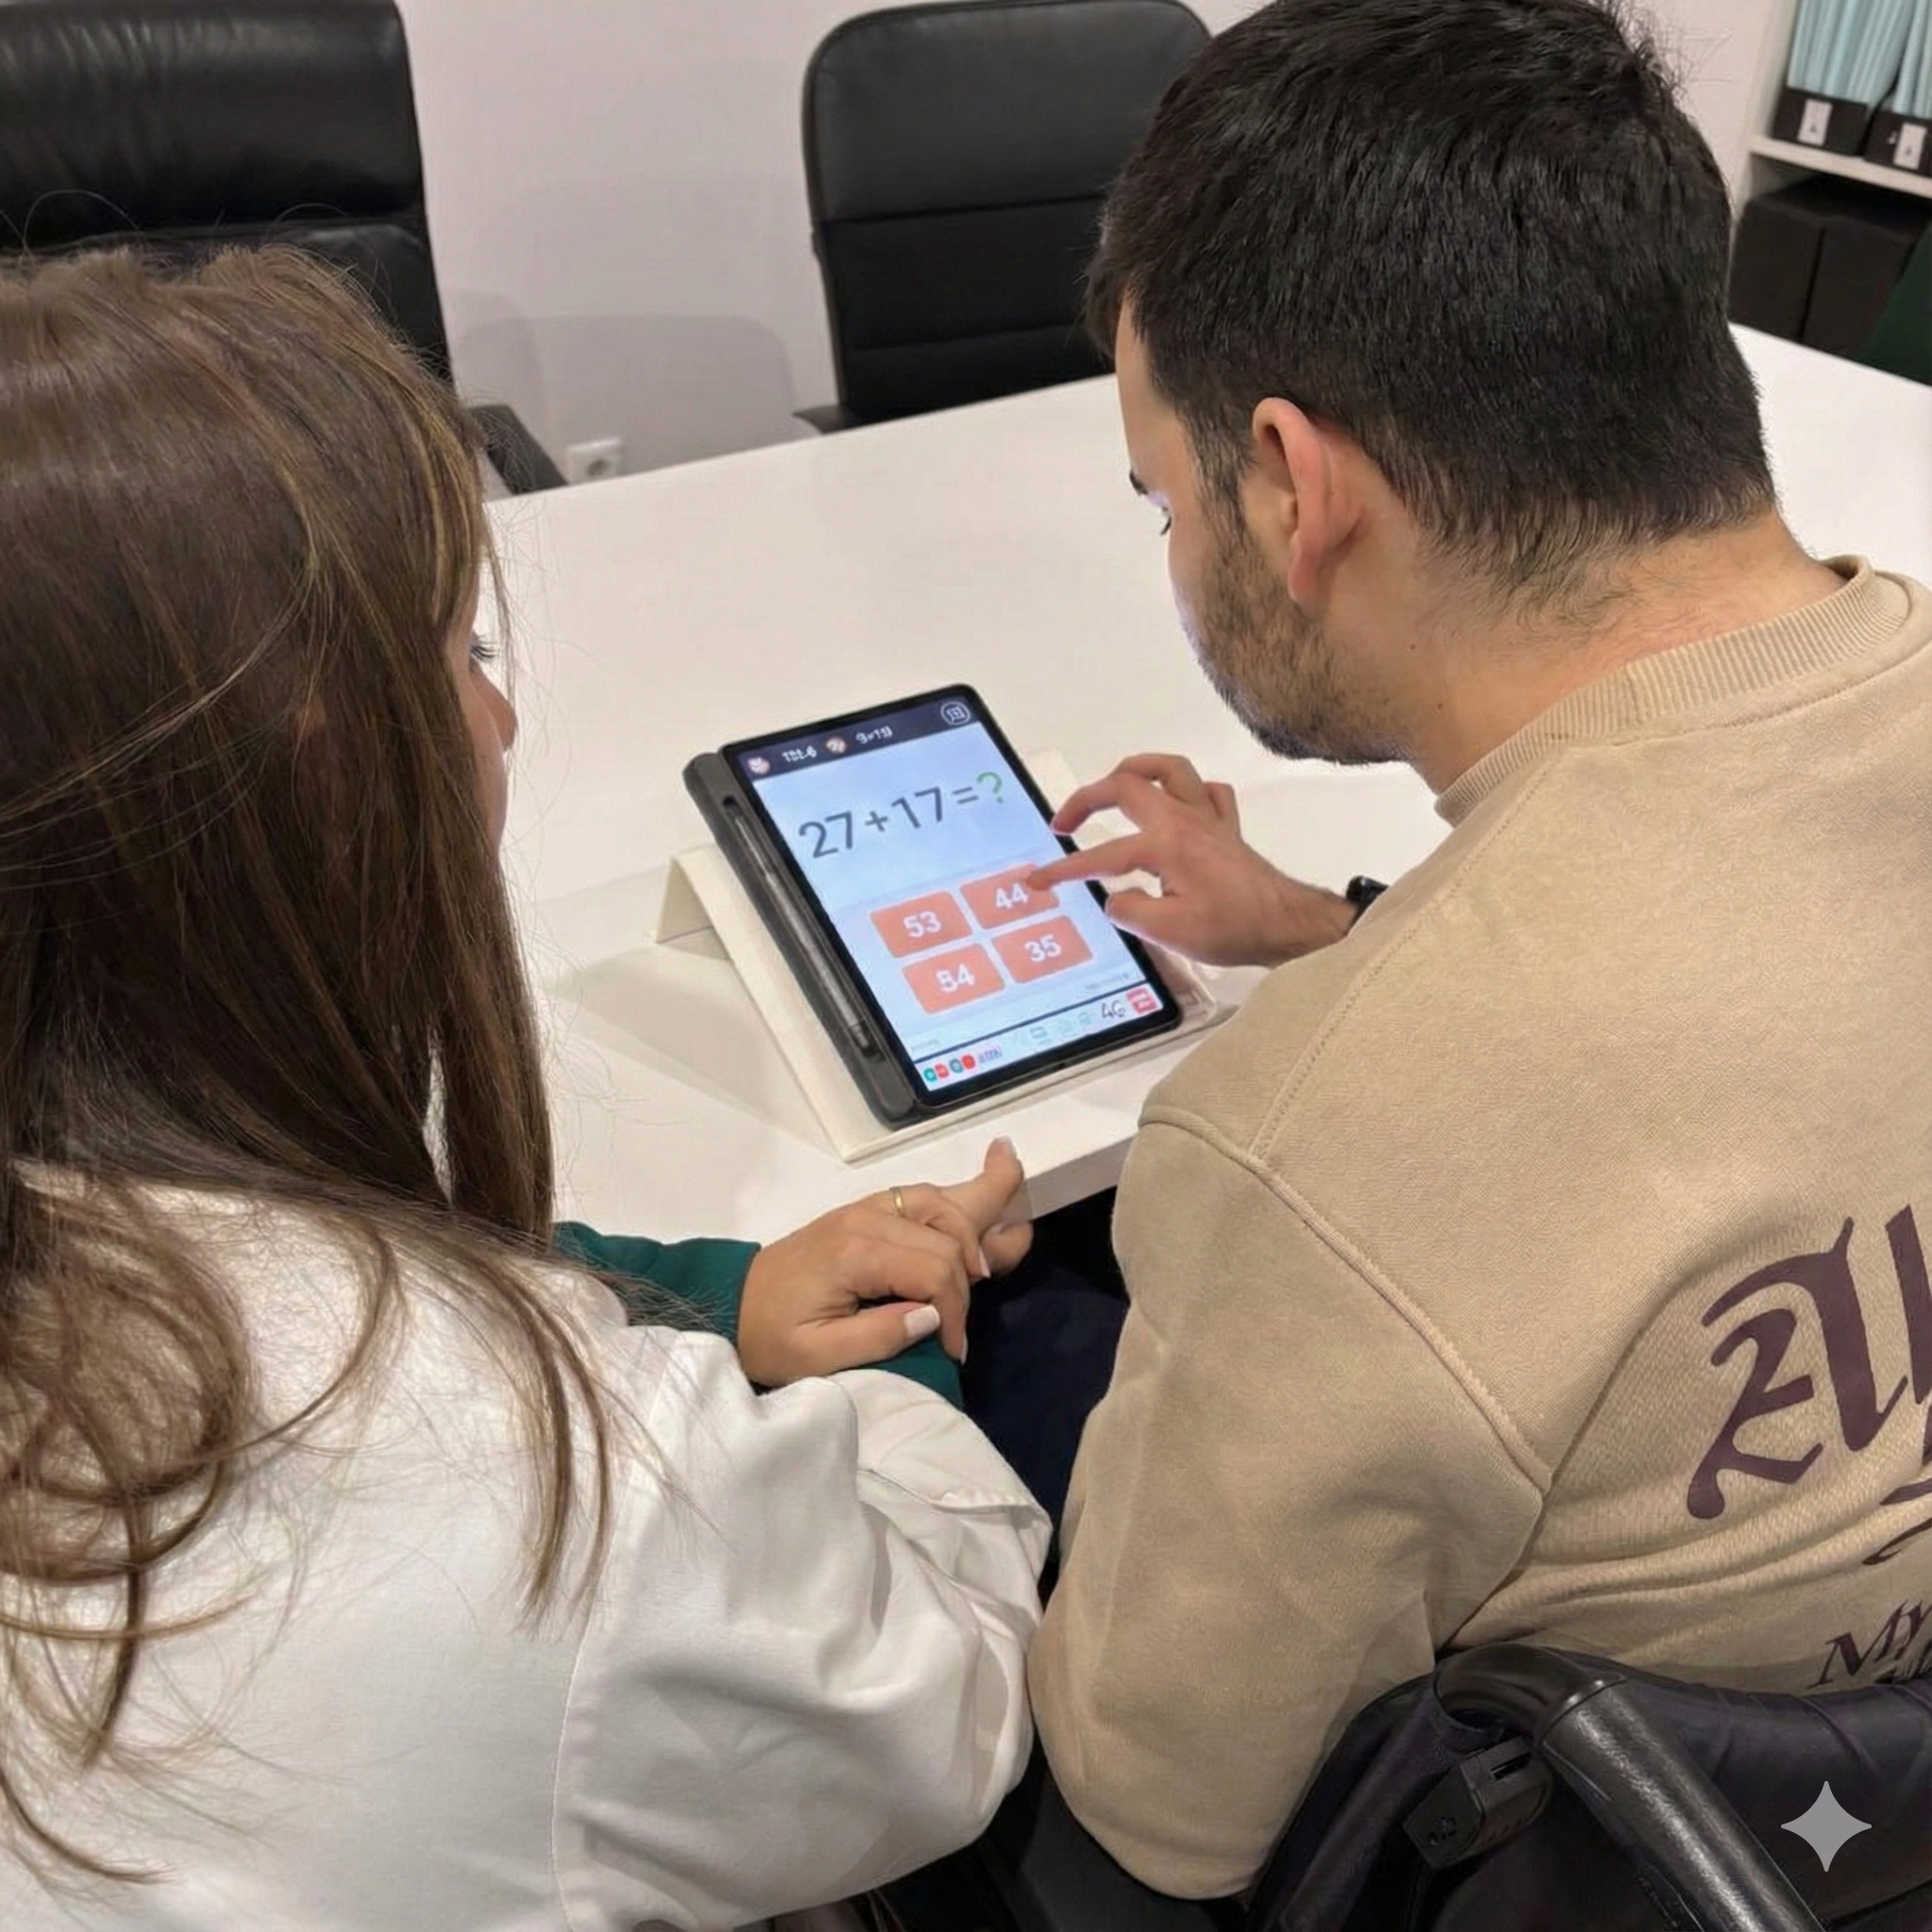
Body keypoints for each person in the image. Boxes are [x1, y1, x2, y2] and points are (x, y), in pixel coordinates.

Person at [0, 246, 1049, 1930]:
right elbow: (939, 1697)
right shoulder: (554, 1499)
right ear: (326, 774)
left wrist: (695, 1303)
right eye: (461, 652)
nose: (496, 719)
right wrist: (896, 1385)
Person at [1018, 0, 1932, 1899]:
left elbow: (1155, 1827)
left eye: (1164, 498)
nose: (1176, 547)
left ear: (1293, 484)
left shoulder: (1309, 1151)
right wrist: (1338, 932)